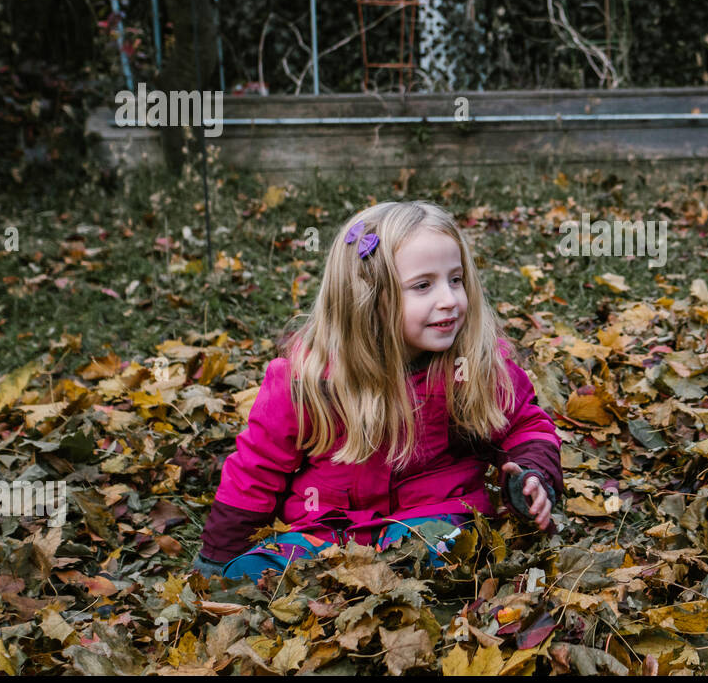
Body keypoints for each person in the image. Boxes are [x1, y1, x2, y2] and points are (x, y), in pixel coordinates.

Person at [191, 200, 562, 580]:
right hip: (325, 527)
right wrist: (219, 556)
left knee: (440, 549)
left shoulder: (472, 365)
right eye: (423, 285)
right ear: (367, 301)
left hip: (433, 514)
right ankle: (310, 574)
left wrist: (532, 474)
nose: (449, 299)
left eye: (456, 280)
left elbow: (524, 424)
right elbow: (257, 468)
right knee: (258, 571)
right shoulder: (307, 378)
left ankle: (407, 571)